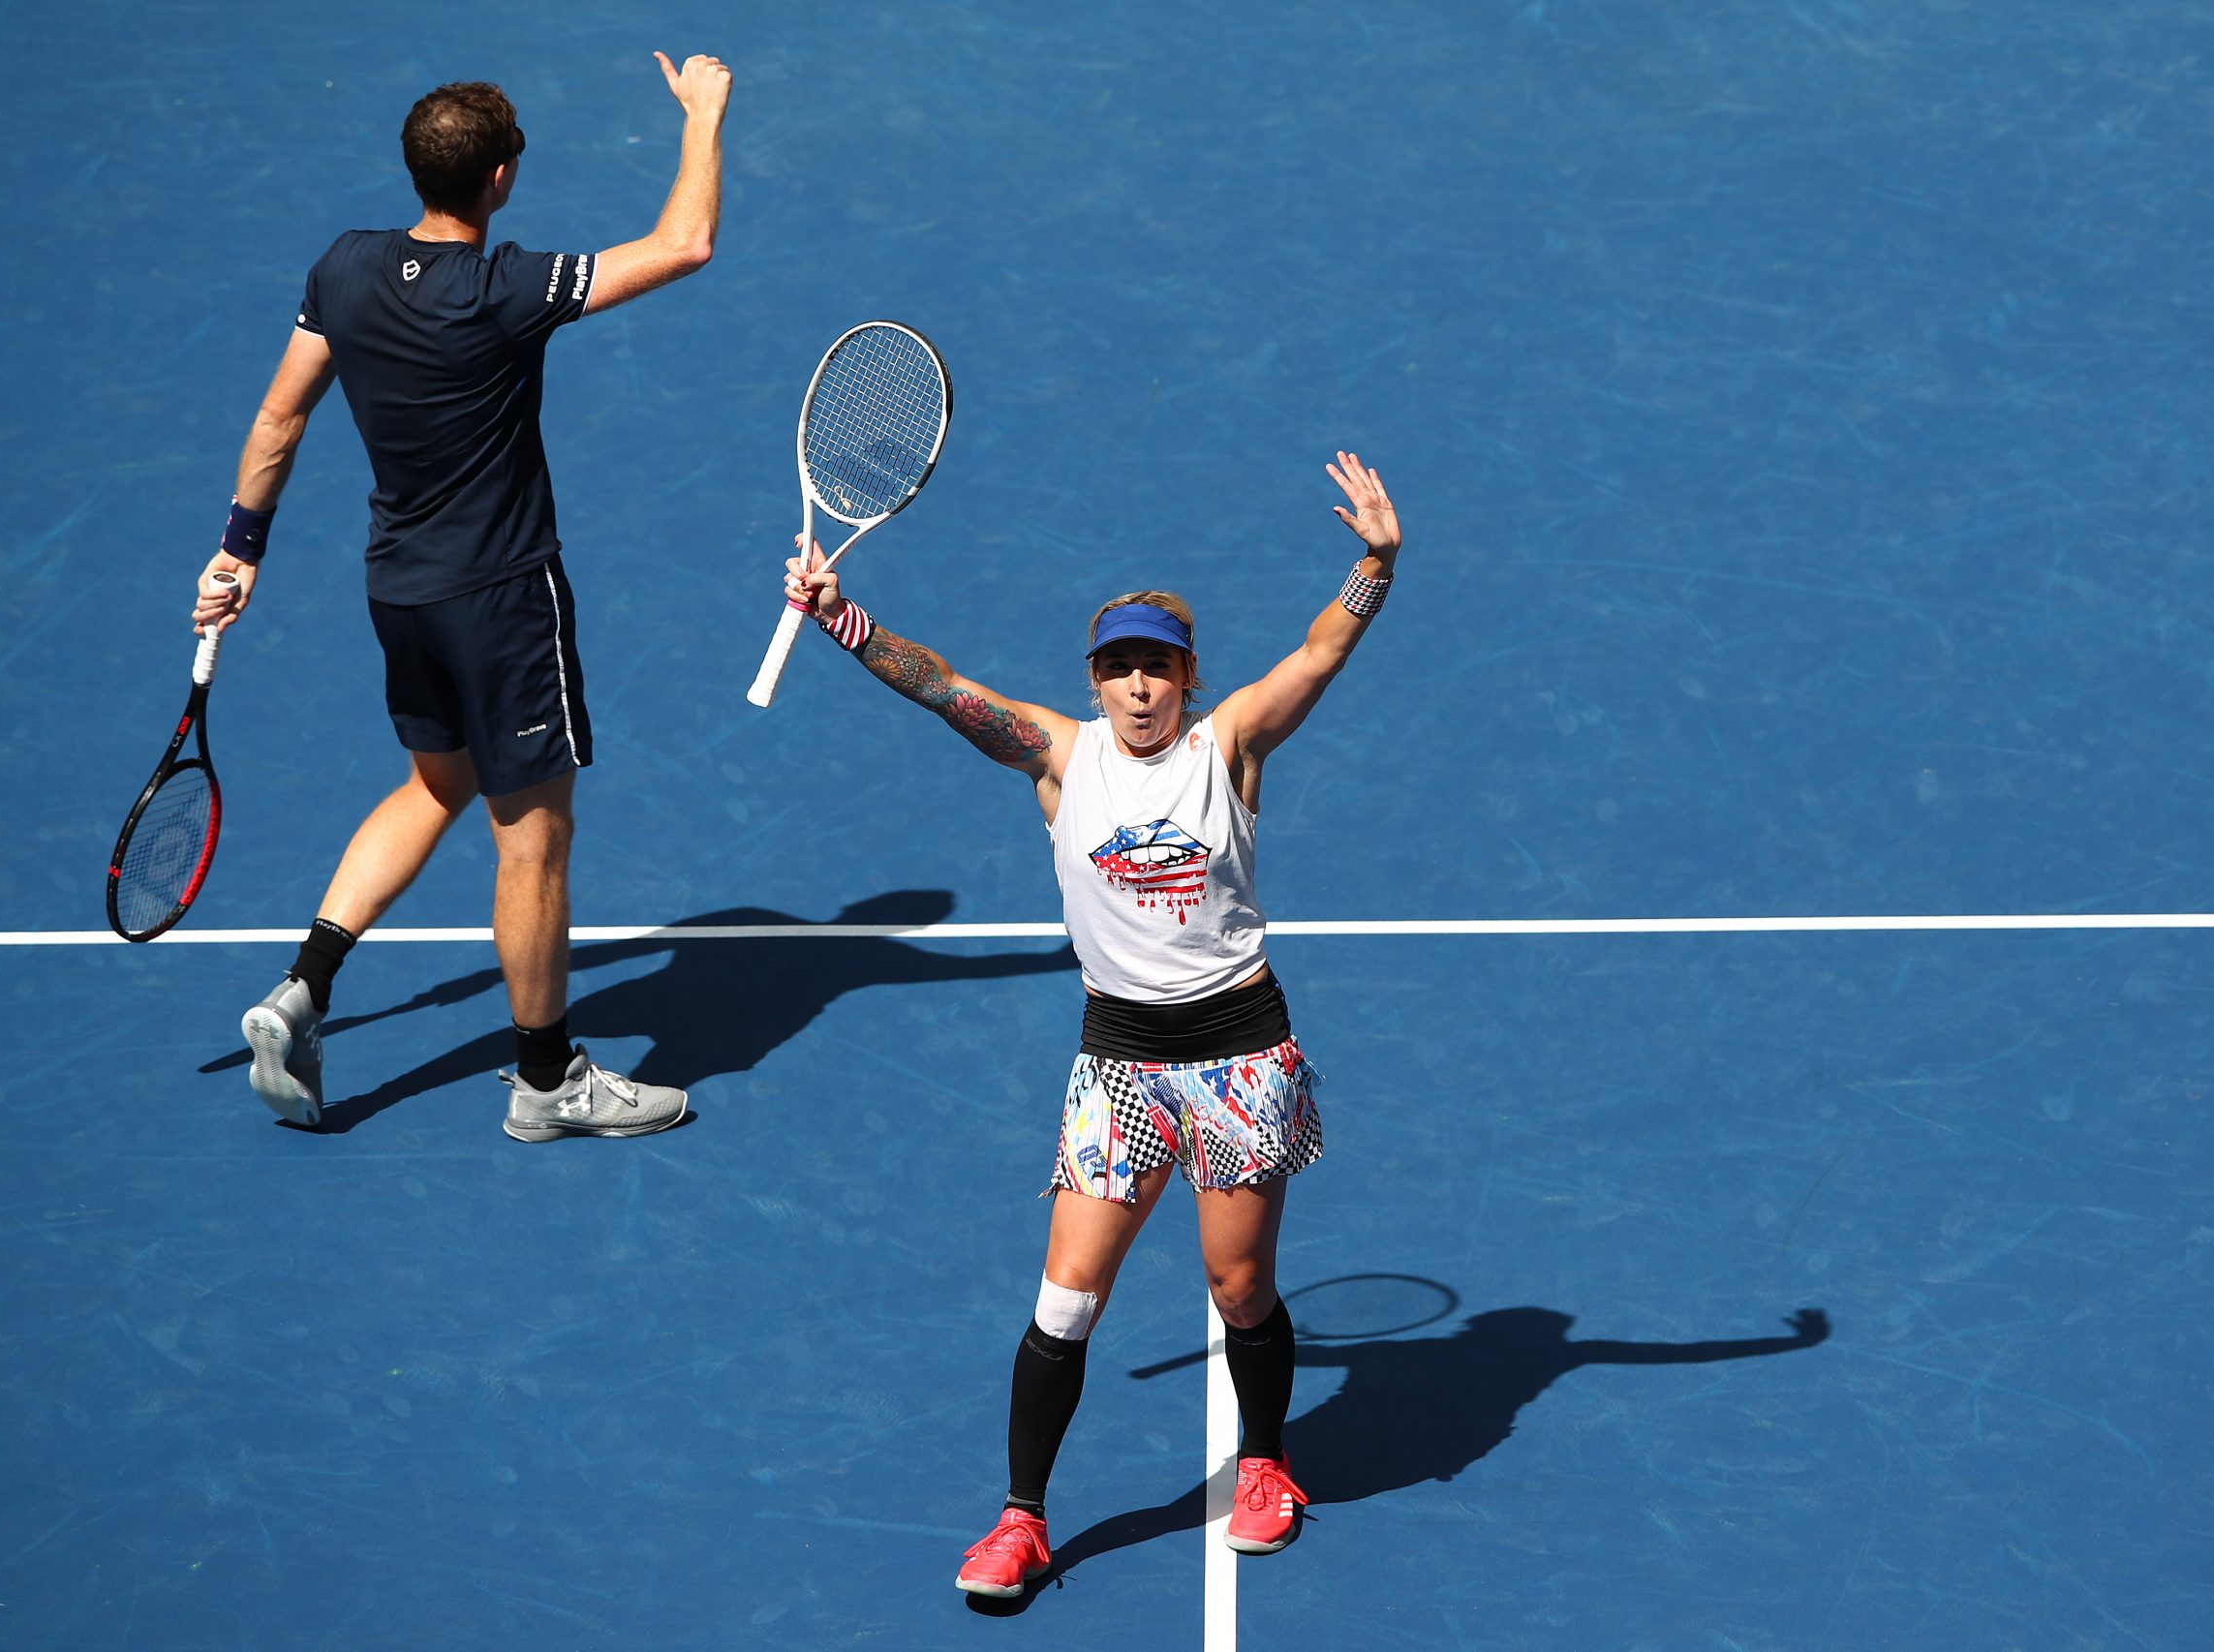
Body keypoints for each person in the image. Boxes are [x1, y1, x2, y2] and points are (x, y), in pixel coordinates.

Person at [781, 451, 1403, 1596]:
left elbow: (1320, 649)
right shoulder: (1056, 755)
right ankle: (1020, 1518)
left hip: (1238, 1056)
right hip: (1118, 1061)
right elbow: (941, 687)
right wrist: (844, 620)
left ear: (1186, 675)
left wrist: (1374, 561)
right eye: (1117, 667)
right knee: (1065, 1293)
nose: (1136, 687)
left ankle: (1265, 1459)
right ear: (1095, 676)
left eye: (1155, 667)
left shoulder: (1233, 747)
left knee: (1239, 1288)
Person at [191, 56, 733, 1138]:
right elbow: (684, 244)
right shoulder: (503, 291)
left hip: (398, 588)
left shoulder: (343, 267)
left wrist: (238, 551)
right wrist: (706, 114)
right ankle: (545, 1081)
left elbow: (279, 420)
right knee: (531, 835)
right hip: (499, 599)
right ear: (500, 179)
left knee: (434, 784)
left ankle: (302, 988)